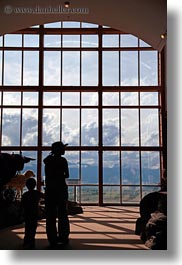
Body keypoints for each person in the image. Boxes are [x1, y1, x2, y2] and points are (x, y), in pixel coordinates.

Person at [44, 141, 70, 248]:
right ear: (59, 150)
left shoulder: (47, 161)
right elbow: (67, 175)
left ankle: (52, 238)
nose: (64, 150)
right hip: (61, 189)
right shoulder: (63, 160)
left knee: (50, 215)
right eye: (63, 148)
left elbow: (47, 175)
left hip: (50, 190)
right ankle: (63, 237)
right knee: (63, 213)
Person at [21, 177, 44, 249]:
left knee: (27, 227)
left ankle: (26, 241)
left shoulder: (25, 195)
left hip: (27, 214)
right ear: (35, 185)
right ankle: (31, 241)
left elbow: (22, 205)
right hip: (34, 213)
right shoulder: (37, 193)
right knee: (33, 228)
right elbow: (45, 196)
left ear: (26, 185)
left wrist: (20, 214)